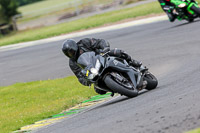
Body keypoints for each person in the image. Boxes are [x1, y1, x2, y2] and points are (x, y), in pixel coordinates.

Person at [62, 38, 142, 95]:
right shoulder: (72, 63)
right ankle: (118, 87)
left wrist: (105, 47)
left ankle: (133, 62)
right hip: (94, 71)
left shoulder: (84, 43)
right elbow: (79, 76)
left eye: (71, 51)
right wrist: (86, 81)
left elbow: (99, 42)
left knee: (117, 52)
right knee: (99, 90)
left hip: (102, 57)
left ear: (75, 47)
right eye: (68, 53)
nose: (71, 54)